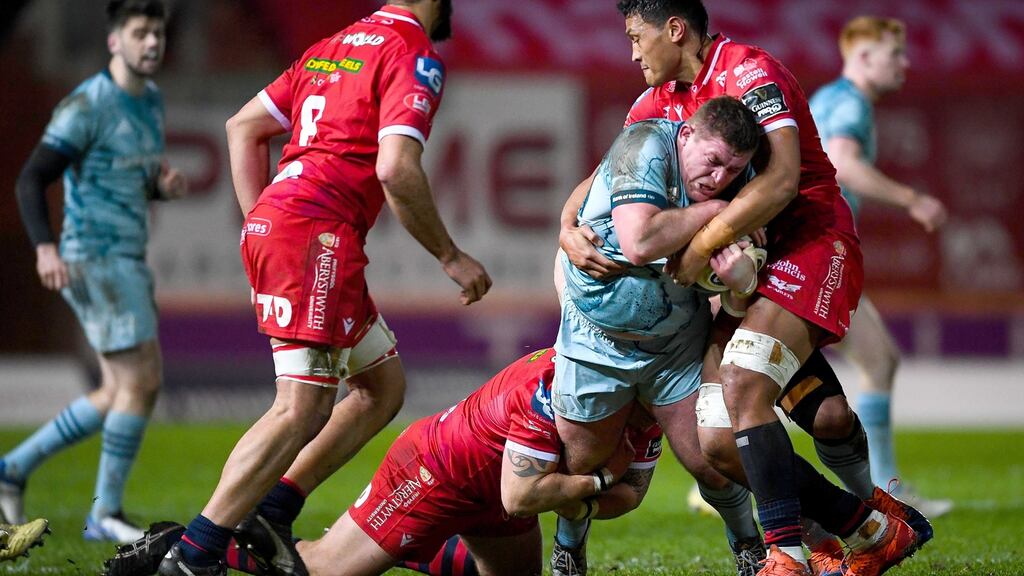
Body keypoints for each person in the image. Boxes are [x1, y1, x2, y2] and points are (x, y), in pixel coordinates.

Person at [556, 2, 928, 574]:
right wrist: (566, 226)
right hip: (739, 266)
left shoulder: (750, 72)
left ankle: (790, 551)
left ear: (674, 30)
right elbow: (611, 173)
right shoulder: (654, 104)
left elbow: (781, 180)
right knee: (727, 439)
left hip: (808, 243)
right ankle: (877, 521)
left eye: (637, 36)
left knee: (745, 383)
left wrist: (702, 246)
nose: (632, 51)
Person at [158, 1, 491, 575]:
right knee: (301, 406)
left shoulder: (334, 46)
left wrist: (262, 218)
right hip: (315, 237)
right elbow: (395, 169)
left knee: (380, 388)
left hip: (301, 231)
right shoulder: (412, 52)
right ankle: (196, 554)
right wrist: (449, 255)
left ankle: (271, 510)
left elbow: (244, 127)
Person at [4, 0, 186, 544]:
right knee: (142, 381)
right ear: (115, 41)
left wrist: (161, 187)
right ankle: (103, 514)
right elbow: (30, 180)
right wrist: (44, 250)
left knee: (116, 391)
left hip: (127, 256)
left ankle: (12, 467)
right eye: (139, 33)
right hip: (94, 257)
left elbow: (130, 176)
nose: (151, 42)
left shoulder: (150, 99)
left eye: (157, 32)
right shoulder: (88, 104)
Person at [808, 15, 952, 518]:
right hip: (816, 257)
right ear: (865, 57)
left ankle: (716, 484)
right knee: (876, 361)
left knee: (873, 360)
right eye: (896, 54)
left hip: (807, 252)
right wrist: (912, 199)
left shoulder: (826, 97)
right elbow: (843, 163)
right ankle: (885, 489)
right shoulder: (849, 103)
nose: (906, 64)